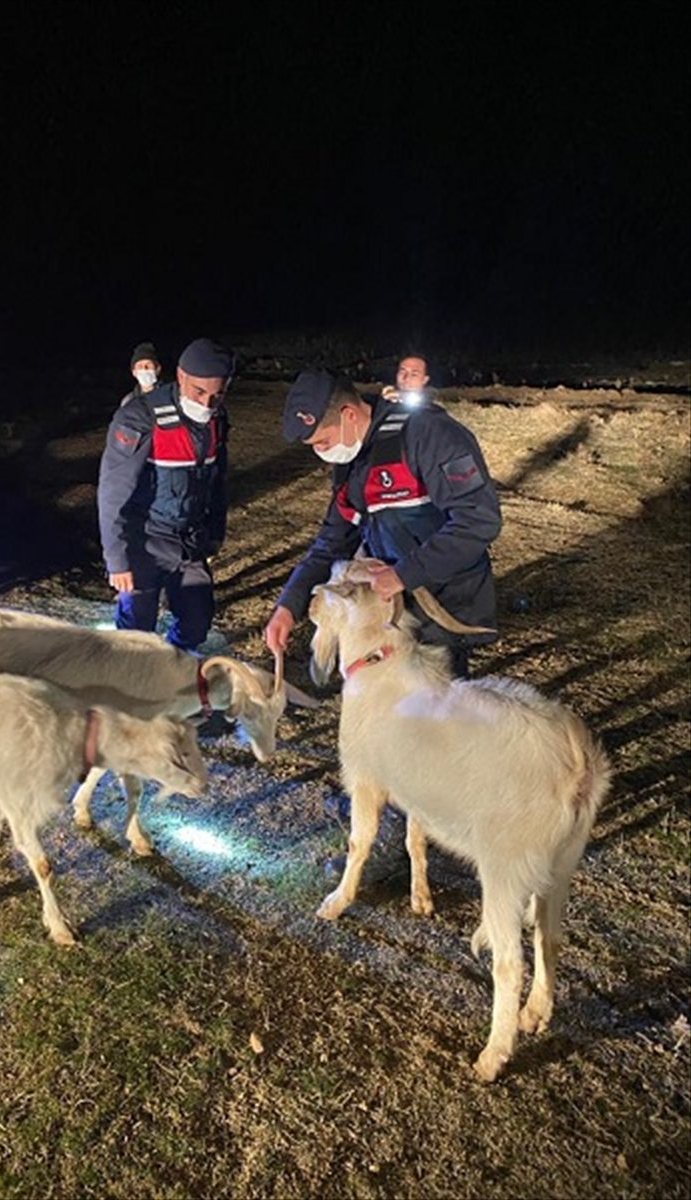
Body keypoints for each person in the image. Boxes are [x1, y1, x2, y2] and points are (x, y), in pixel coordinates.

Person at [264, 356, 502, 880]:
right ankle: (393, 837)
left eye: (323, 440)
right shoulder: (351, 462)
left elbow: (480, 520)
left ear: (350, 414)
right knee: (388, 731)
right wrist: (288, 603)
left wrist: (405, 574)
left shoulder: (430, 436)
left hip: (442, 612)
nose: (322, 452)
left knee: (432, 734)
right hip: (388, 619)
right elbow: (335, 535)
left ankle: (438, 849)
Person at [97, 336, 234, 652]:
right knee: (136, 635)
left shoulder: (217, 419)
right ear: (181, 376)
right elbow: (112, 492)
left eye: (217, 395)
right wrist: (117, 560)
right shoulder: (139, 417)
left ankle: (171, 674)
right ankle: (131, 691)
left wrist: (215, 533)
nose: (206, 404)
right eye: (199, 392)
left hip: (189, 544)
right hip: (144, 543)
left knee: (197, 621)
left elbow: (217, 481)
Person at [119, 341, 164, 408]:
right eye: (140, 366)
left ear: (158, 369)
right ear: (134, 372)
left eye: (148, 365)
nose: (144, 369)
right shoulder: (129, 401)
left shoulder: (169, 395)